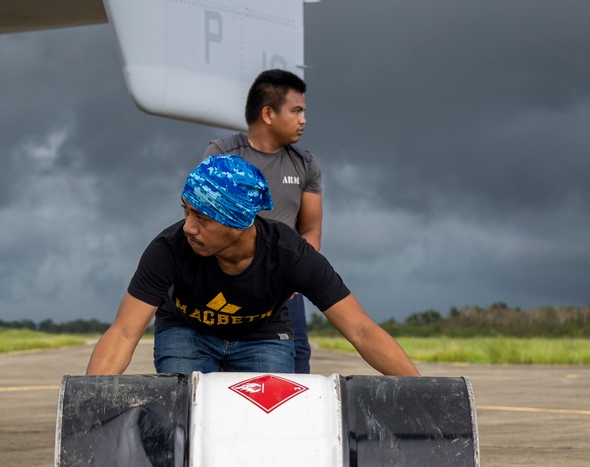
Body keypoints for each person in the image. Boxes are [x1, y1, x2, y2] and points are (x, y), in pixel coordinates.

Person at [86, 154, 418, 378]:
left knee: (267, 425)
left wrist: (425, 392)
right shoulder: (168, 248)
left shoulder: (290, 255)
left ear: (239, 221)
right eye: (185, 211)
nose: (187, 226)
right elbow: (124, 333)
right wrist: (89, 405)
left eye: (201, 217)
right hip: (188, 332)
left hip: (263, 336)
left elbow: (361, 330)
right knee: (184, 417)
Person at [202, 69, 321, 373]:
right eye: (296, 111)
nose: (303, 119)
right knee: (224, 370)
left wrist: (295, 277)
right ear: (268, 113)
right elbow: (204, 217)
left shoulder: (305, 164)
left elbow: (309, 230)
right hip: (227, 286)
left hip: (284, 293)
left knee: (294, 368)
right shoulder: (222, 153)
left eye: (303, 112)